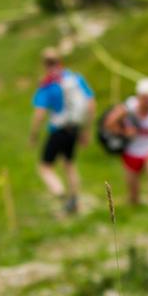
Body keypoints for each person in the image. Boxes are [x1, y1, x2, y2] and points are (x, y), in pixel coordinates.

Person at [29, 48, 96, 214]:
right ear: (60, 61)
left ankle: (61, 195)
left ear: (44, 64)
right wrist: (86, 130)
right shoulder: (75, 78)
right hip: (74, 127)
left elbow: (39, 113)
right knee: (69, 164)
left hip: (58, 129)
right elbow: (91, 103)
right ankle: (75, 199)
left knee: (45, 166)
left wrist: (33, 135)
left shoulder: (47, 85)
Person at [102, 78, 148, 206]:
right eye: (145, 97)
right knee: (133, 191)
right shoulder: (128, 107)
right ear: (139, 96)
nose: (147, 101)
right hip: (132, 151)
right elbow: (109, 123)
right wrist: (124, 133)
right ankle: (134, 205)